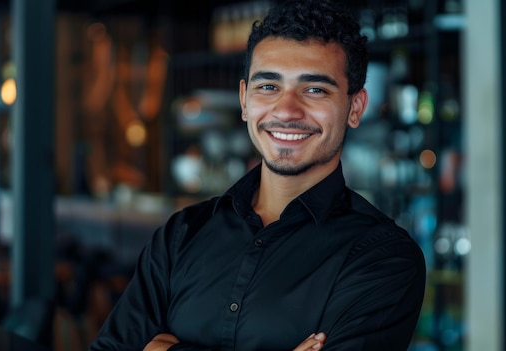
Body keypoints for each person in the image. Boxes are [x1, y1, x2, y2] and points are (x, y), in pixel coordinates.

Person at [89, 1, 426, 350]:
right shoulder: (182, 235)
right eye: (268, 86)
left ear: (355, 108)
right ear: (244, 100)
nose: (286, 110)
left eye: (314, 90)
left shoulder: (384, 259)